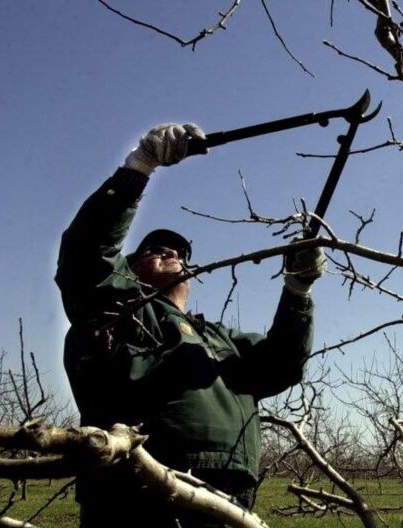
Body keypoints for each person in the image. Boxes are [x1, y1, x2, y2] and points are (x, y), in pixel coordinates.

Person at [55, 123, 326, 527]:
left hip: (227, 500)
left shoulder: (221, 338)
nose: (169, 252)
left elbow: (282, 365)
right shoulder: (118, 311)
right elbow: (86, 257)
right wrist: (139, 167)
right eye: (152, 250)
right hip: (135, 494)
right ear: (126, 270)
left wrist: (297, 290)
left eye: (179, 253)